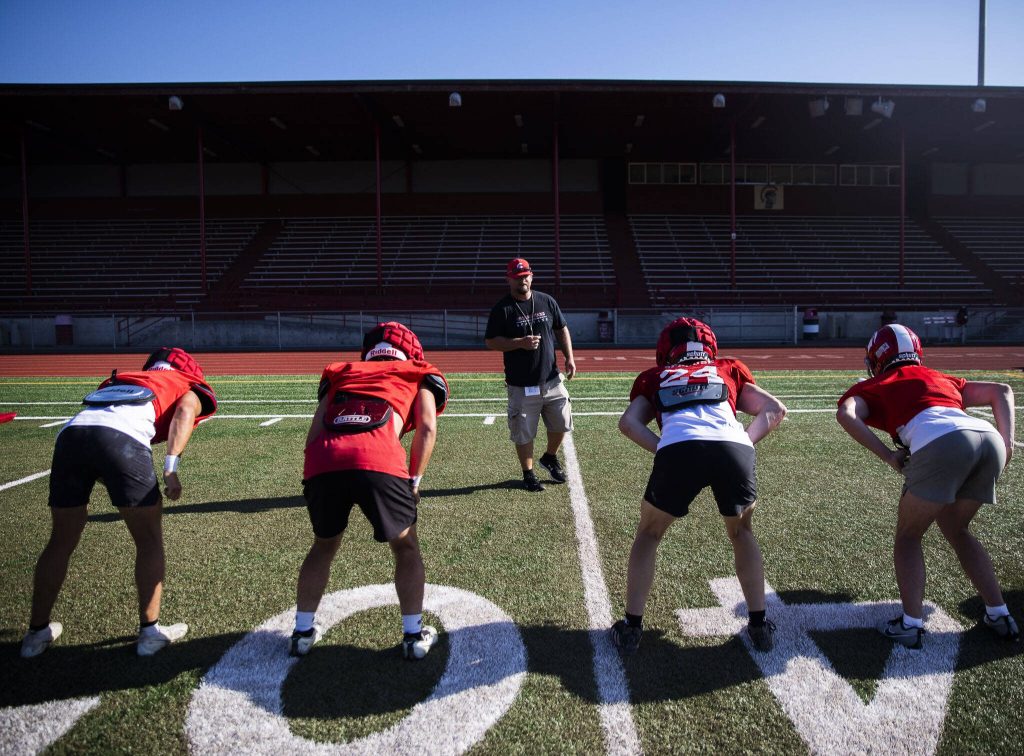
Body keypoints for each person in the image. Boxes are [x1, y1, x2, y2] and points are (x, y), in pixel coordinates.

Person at [21, 347, 217, 658]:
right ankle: (150, 632)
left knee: (59, 541)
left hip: (71, 435)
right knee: (149, 540)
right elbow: (184, 412)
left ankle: (35, 634)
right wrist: (171, 467)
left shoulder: (123, 379)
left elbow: (98, 424)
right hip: (122, 438)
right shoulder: (184, 384)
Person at [836, 324, 1018, 649]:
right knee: (957, 529)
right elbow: (1001, 391)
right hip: (987, 437)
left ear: (877, 359)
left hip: (941, 441)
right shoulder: (940, 377)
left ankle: (910, 624)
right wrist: (1008, 445)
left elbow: (847, 414)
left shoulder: (878, 383)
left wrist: (888, 455)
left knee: (908, 536)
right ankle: (999, 613)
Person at [612, 318, 787, 655]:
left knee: (649, 534)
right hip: (733, 447)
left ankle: (632, 627)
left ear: (666, 349)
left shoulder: (655, 377)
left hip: (679, 448)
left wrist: (664, 446)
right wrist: (743, 441)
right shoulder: (727, 368)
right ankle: (759, 623)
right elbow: (775, 410)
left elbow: (628, 423)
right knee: (742, 533)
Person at [293, 322, 448, 659]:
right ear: (410, 352)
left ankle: (302, 632)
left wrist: (313, 474)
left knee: (322, 546)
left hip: (324, 459)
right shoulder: (416, 371)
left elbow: (315, 429)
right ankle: (412, 636)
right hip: (377, 457)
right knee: (406, 547)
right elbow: (427, 427)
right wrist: (415, 480)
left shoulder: (343, 372)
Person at [484, 257, 576, 492]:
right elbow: (491, 341)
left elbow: (561, 328)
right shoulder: (502, 308)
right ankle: (528, 473)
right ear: (509, 279)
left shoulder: (546, 301)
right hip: (522, 384)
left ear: (531, 276)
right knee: (523, 432)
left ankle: (550, 456)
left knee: (563, 422)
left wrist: (569, 357)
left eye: (525, 275)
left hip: (552, 378)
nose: (522, 280)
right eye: (517, 277)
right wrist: (519, 343)